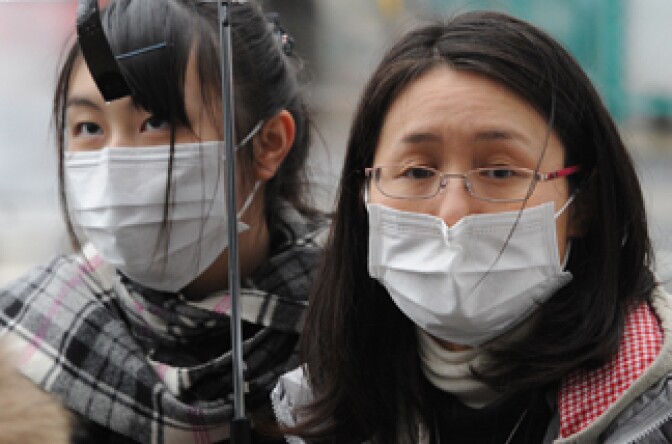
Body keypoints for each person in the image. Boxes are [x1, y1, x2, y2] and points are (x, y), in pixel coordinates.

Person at [272, 10, 672, 444]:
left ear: (582, 204)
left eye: (500, 173)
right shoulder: (325, 402)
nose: (452, 212)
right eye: (417, 172)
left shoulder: (650, 405)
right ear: (364, 195)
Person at [0, 0, 326, 443]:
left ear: (268, 143)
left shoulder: (360, 324)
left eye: (156, 121)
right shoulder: (22, 345)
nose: (116, 161)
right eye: (89, 128)